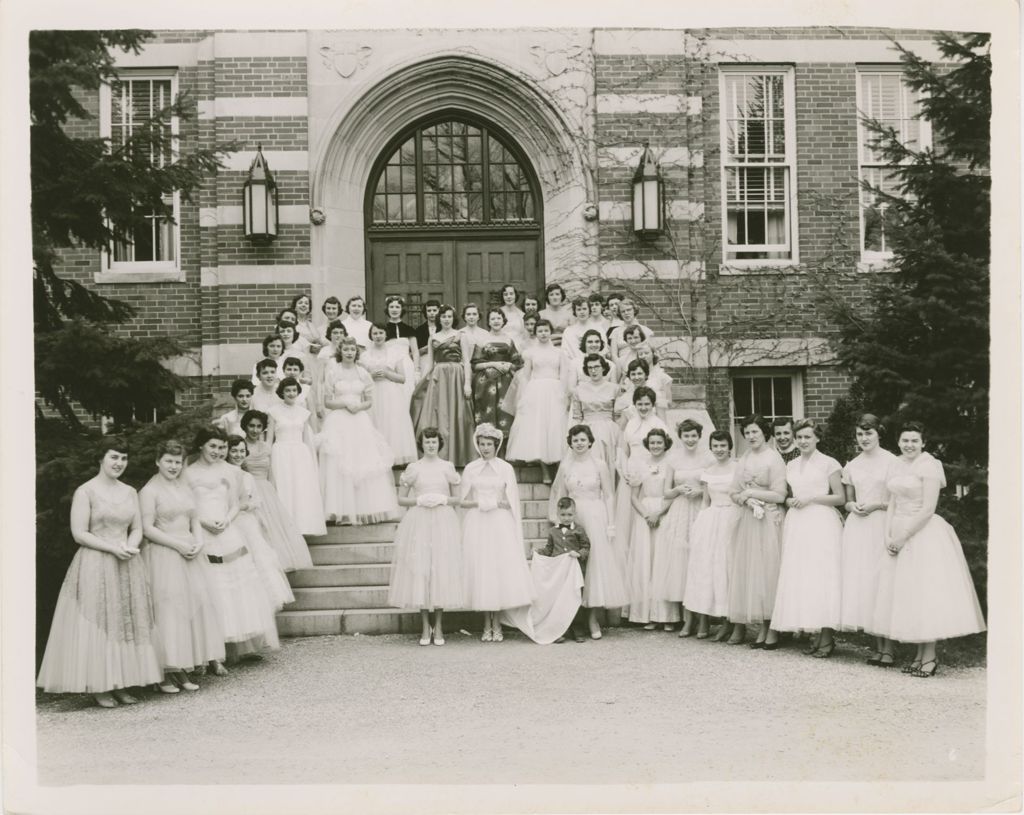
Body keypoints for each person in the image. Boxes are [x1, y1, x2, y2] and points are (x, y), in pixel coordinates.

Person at [37, 439, 164, 708]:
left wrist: (130, 546)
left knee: (124, 620)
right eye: (114, 457)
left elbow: (137, 528)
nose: (119, 463)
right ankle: (101, 685)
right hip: (96, 560)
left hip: (126, 560)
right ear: (101, 459)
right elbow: (79, 533)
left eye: (123, 458)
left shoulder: (130, 491)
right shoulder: (86, 492)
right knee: (100, 621)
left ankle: (122, 682)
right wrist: (112, 548)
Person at [870, 422, 986, 677]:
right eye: (905, 440)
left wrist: (903, 537)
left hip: (921, 532)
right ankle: (918, 654)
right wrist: (888, 534)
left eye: (914, 440)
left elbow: (927, 509)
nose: (909, 445)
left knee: (925, 594)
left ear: (923, 443)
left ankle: (930, 656)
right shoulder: (895, 463)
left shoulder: (929, 465)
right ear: (898, 442)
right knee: (907, 594)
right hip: (897, 530)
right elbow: (891, 503)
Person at [185, 427, 280, 665]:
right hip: (202, 530)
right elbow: (185, 505)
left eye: (221, 447)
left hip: (228, 528)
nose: (217, 452)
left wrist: (227, 519)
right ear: (201, 446)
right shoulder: (187, 473)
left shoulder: (231, 471)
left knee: (236, 586)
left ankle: (237, 646)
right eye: (212, 446)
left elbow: (238, 502)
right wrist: (203, 522)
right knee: (212, 586)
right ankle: (213, 650)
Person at [139, 440, 225, 694]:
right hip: (164, 553)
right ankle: (164, 672)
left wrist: (198, 541)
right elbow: (147, 528)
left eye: (178, 462)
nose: (174, 467)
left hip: (190, 552)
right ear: (158, 461)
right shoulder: (149, 491)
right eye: (169, 461)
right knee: (167, 610)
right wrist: (177, 545)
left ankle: (182, 666)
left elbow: (194, 518)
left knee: (190, 607)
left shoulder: (185, 487)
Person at [770, 419, 845, 657]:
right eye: (799, 437)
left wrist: (812, 498)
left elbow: (840, 498)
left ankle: (826, 637)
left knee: (821, 576)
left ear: (817, 438)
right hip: (798, 522)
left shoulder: (829, 463)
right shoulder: (790, 465)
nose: (802, 441)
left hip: (821, 522)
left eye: (807, 437)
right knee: (803, 576)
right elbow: (787, 493)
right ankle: (814, 632)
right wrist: (788, 500)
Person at [549, 425, 629, 639]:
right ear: (571, 443)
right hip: (573, 517)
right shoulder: (566, 466)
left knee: (594, 567)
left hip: (595, 516)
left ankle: (593, 619)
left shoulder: (600, 465)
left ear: (590, 442)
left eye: (583, 440)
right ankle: (572, 618)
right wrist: (560, 523)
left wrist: (611, 523)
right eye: (575, 440)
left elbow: (610, 495)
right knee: (573, 566)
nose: (579, 443)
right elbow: (560, 495)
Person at [388, 428, 464, 646]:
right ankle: (425, 625)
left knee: (440, 569)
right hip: (419, 521)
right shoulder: (414, 468)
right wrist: (420, 500)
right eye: (427, 442)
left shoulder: (447, 467)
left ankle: (438, 625)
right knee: (420, 569)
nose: (431, 445)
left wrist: (442, 499)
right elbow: (401, 500)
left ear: (439, 443)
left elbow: (457, 498)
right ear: (421, 444)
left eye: (434, 441)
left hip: (442, 520)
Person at [460, 424, 533, 642]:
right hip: (478, 522)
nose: (485, 448)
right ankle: (486, 623)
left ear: (496, 445)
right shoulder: (471, 468)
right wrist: (482, 503)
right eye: (482, 444)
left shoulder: (505, 468)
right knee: (482, 569)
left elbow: (511, 502)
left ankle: (497, 623)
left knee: (497, 570)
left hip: (499, 523)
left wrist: (497, 503)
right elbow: (463, 501)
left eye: (489, 444)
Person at [319, 337, 399, 525]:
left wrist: (359, 407)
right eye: (346, 350)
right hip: (338, 420)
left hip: (359, 420)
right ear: (341, 351)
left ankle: (366, 507)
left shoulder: (363, 373)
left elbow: (369, 399)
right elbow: (327, 401)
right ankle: (340, 509)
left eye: (352, 350)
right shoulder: (333, 371)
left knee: (362, 460)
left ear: (356, 352)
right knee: (340, 462)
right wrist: (345, 404)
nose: (349, 353)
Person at [838, 414, 898, 665]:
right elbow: (847, 499)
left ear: (879, 434)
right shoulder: (852, 464)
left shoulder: (892, 462)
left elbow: (897, 498)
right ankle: (877, 645)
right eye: (860, 434)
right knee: (865, 583)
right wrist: (852, 506)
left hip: (882, 523)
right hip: (859, 527)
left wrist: (876, 505)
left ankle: (890, 647)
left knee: (883, 582)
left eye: (869, 433)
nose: (864, 438)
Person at [726, 414, 786, 648]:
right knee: (749, 570)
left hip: (768, 521)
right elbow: (733, 491)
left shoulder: (774, 459)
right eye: (747, 433)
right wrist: (744, 500)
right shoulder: (744, 458)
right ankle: (754, 624)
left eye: (755, 432)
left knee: (768, 571)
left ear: (764, 433)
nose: (751, 436)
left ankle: (770, 628)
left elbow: (779, 495)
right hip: (748, 520)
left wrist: (751, 493)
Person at [656, 420, 715, 636]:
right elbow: (666, 492)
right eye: (686, 436)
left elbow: (714, 485)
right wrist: (679, 489)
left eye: (693, 436)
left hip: (700, 509)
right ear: (680, 437)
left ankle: (704, 621)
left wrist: (699, 491)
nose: (690, 440)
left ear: (699, 436)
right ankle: (687, 620)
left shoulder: (709, 457)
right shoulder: (672, 459)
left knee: (701, 561)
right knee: (682, 564)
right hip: (680, 512)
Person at [226, 435, 295, 611]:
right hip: (230, 524)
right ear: (227, 451)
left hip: (248, 523)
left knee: (259, 561)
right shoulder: (223, 475)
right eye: (234, 451)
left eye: (242, 451)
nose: (238, 455)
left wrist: (247, 506)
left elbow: (256, 501)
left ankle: (261, 606)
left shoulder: (248, 476)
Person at [682, 430, 740, 639]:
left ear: (729, 446)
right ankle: (705, 619)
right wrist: (699, 524)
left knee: (727, 567)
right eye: (715, 446)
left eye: (723, 445)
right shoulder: (708, 471)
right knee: (707, 568)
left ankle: (729, 621)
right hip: (711, 519)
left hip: (732, 517)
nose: (719, 449)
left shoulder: (737, 468)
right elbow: (705, 501)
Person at [240, 409, 313, 571]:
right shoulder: (240, 446)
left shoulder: (267, 447)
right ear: (244, 426)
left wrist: (274, 494)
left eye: (259, 426)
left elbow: (271, 473)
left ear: (263, 429)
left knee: (272, 528)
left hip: (266, 491)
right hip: (248, 491)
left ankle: (274, 565)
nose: (254, 430)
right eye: (251, 426)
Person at [511, 496, 589, 644]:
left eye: (570, 515)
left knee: (574, 599)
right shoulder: (553, 531)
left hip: (573, 572)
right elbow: (549, 549)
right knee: (559, 601)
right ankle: (560, 629)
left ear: (575, 514)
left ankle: (578, 628)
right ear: (558, 515)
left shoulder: (579, 530)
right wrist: (538, 552)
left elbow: (586, 547)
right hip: (558, 573)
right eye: (563, 515)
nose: (566, 518)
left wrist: (579, 554)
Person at [410, 304, 477, 467]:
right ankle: (439, 455)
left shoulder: (461, 335)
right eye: (443, 316)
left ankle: (459, 456)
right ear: (439, 319)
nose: (446, 319)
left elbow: (467, 361)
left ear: (453, 318)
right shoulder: (433, 337)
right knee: (438, 413)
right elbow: (430, 363)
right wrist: (423, 380)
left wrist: (467, 383)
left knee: (458, 414)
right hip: (438, 376)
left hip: (456, 375)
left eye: (449, 316)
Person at [613, 386, 669, 576]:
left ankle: (653, 569)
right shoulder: (630, 423)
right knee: (628, 521)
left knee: (648, 519)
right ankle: (632, 570)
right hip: (632, 472)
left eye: (647, 404)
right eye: (640, 404)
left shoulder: (659, 424)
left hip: (651, 474)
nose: (643, 407)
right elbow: (624, 448)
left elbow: (664, 451)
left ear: (653, 405)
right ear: (634, 404)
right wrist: (623, 470)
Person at [626, 428, 677, 629]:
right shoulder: (640, 465)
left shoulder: (670, 464)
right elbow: (633, 497)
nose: (656, 446)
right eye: (652, 442)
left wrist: (660, 513)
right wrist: (647, 514)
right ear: (648, 444)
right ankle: (646, 614)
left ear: (666, 443)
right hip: (644, 513)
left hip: (665, 512)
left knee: (663, 561)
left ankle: (666, 616)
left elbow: (673, 494)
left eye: (659, 442)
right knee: (646, 561)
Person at [506, 318, 566, 483]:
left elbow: (564, 375)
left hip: (555, 391)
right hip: (536, 390)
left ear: (550, 331)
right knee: (538, 430)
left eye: (546, 330)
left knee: (555, 429)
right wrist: (524, 397)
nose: (543, 333)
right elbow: (525, 376)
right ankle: (545, 471)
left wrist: (564, 394)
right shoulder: (530, 352)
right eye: (540, 331)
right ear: (536, 333)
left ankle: (559, 471)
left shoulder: (559, 353)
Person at [268, 377, 327, 536]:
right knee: (284, 488)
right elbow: (268, 440)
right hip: (281, 452)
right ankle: (286, 528)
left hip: (300, 454)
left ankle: (301, 527)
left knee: (300, 489)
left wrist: (311, 461)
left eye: (294, 390)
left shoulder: (304, 413)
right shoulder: (273, 411)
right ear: (282, 392)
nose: (291, 393)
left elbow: (308, 441)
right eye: (287, 390)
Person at [362, 322, 418, 466]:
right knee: (375, 421)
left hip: (391, 393)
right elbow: (361, 378)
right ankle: (376, 456)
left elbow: (402, 378)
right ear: (371, 335)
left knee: (392, 423)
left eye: (381, 333)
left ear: (386, 334)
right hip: (373, 392)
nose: (378, 336)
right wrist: (370, 375)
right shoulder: (365, 355)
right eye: (375, 333)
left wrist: (387, 373)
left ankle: (394, 456)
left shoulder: (395, 354)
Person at [469, 307, 522, 437]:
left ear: (503, 321)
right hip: (486, 382)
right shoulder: (482, 339)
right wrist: (494, 364)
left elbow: (517, 362)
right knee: (487, 414)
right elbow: (475, 364)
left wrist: (509, 365)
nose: (496, 321)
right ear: (488, 321)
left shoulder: (508, 340)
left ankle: (505, 451)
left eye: (498, 318)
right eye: (493, 318)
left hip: (505, 382)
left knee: (505, 413)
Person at [569, 352, 622, 480]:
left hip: (609, 431)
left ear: (603, 368)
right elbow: (577, 417)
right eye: (590, 368)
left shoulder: (614, 389)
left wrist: (619, 435)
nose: (593, 370)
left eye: (596, 367)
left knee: (609, 465)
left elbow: (618, 415)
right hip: (587, 431)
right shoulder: (579, 390)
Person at [382, 294, 420, 399]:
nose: (394, 310)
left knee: (407, 394)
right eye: (391, 307)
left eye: (397, 307)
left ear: (402, 309)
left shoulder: (409, 329)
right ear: (387, 309)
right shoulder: (382, 329)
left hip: (406, 365)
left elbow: (415, 352)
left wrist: (417, 371)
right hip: (388, 365)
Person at [560, 297, 593, 366]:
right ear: (575, 312)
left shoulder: (597, 328)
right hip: (574, 366)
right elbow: (565, 353)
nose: (582, 312)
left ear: (589, 310)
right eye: (579, 309)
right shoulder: (568, 331)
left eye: (584, 309)